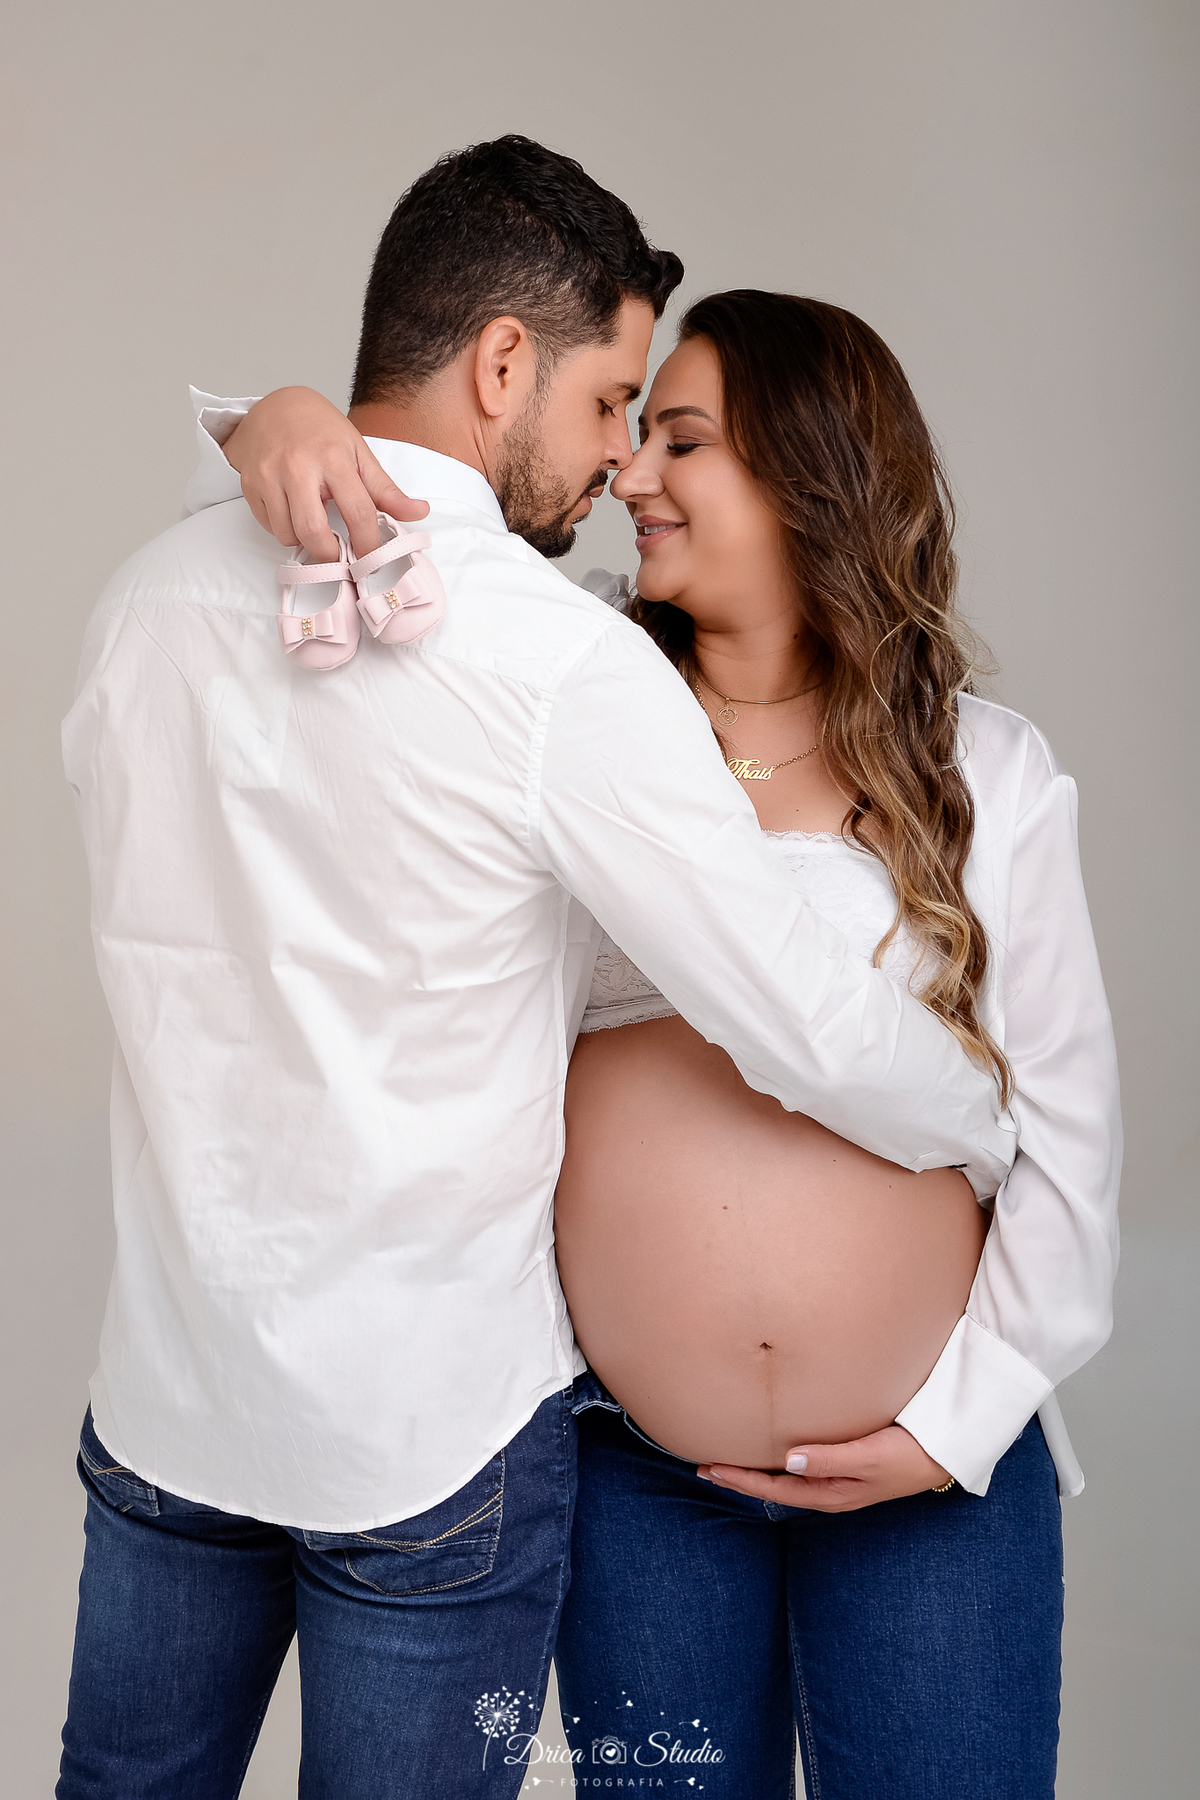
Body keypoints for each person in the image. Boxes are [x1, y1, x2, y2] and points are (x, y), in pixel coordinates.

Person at [58, 141, 1013, 1800]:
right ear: (504, 361)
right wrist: (990, 1129)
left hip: (169, 1408)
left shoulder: (139, 603)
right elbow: (798, 1015)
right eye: (606, 403)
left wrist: (248, 422)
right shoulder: (559, 666)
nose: (616, 467)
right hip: (431, 1450)